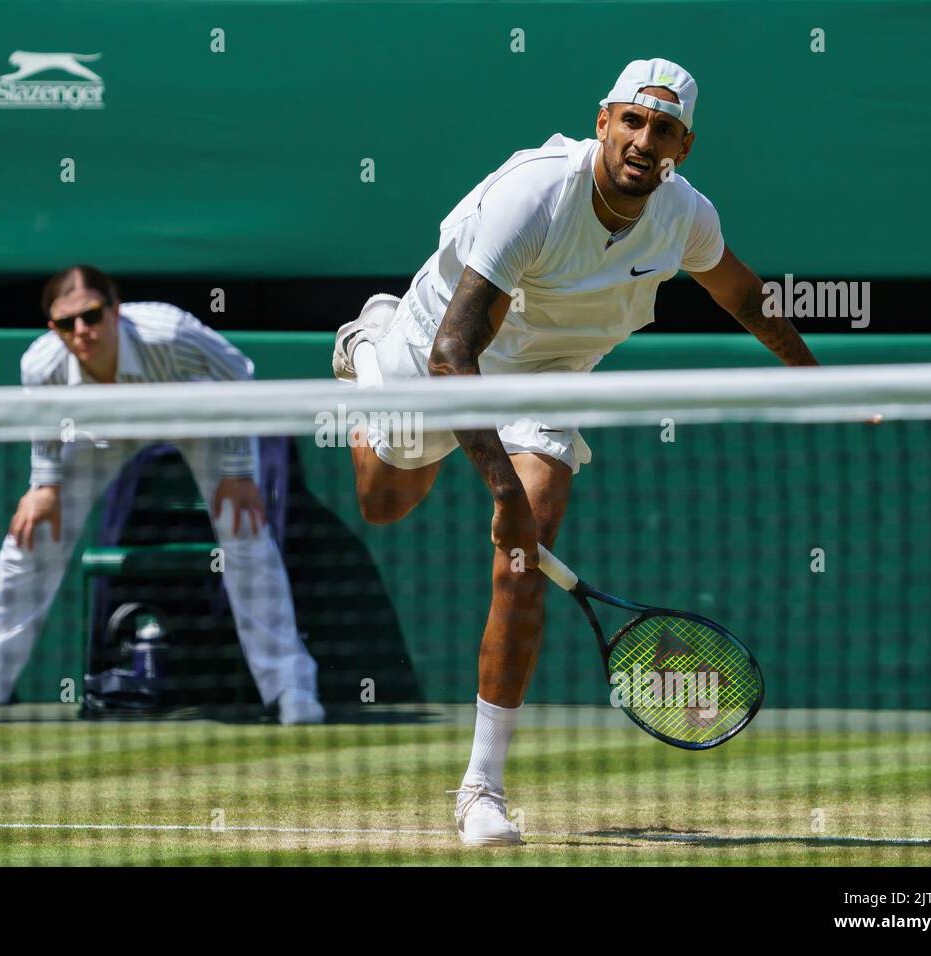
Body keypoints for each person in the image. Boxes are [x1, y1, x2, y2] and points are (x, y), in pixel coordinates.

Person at [332, 59, 818, 845]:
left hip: (547, 375)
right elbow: (455, 355)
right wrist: (501, 496)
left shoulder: (686, 217)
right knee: (384, 504)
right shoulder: (535, 195)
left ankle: (480, 789)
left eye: (662, 130)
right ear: (603, 122)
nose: (642, 140)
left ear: (682, 147)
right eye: (631, 120)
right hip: (436, 344)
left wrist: (814, 383)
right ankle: (365, 348)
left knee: (529, 551)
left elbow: (747, 299)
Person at [0, 264, 323, 725]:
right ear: (54, 328)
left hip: (194, 416)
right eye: (67, 323)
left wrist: (238, 470)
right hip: (102, 427)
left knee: (245, 535)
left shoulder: (169, 333)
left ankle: (292, 687)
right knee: (29, 541)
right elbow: (47, 428)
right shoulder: (41, 364)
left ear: (115, 310)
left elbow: (238, 373)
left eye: (91, 316)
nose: (82, 331)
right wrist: (43, 487)